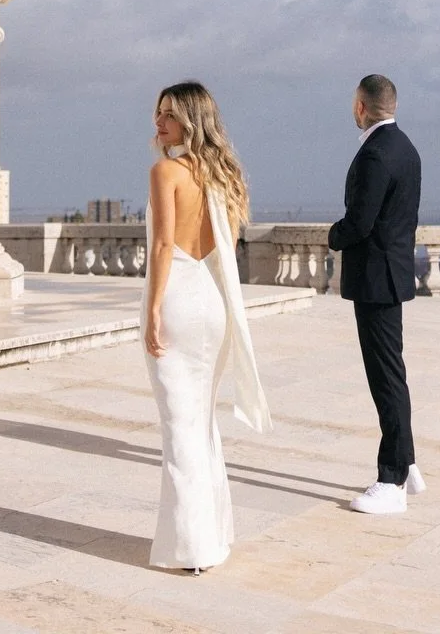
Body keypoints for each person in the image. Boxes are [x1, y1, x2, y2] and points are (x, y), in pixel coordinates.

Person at [143, 81, 271, 571]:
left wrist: (153, 309)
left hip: (177, 299)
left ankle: (193, 549)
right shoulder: (224, 175)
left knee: (180, 428)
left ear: (190, 122)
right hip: (213, 304)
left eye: (169, 117)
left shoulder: (165, 171)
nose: (158, 125)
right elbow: (226, 246)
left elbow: (162, 248)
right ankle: (213, 535)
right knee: (200, 422)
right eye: (157, 115)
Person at [327, 72, 426, 514]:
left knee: (385, 378)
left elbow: (359, 223)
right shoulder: (406, 148)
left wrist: (333, 235)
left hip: (375, 278)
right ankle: (406, 460)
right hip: (393, 272)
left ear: (361, 106)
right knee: (392, 373)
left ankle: (392, 480)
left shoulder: (375, 154)